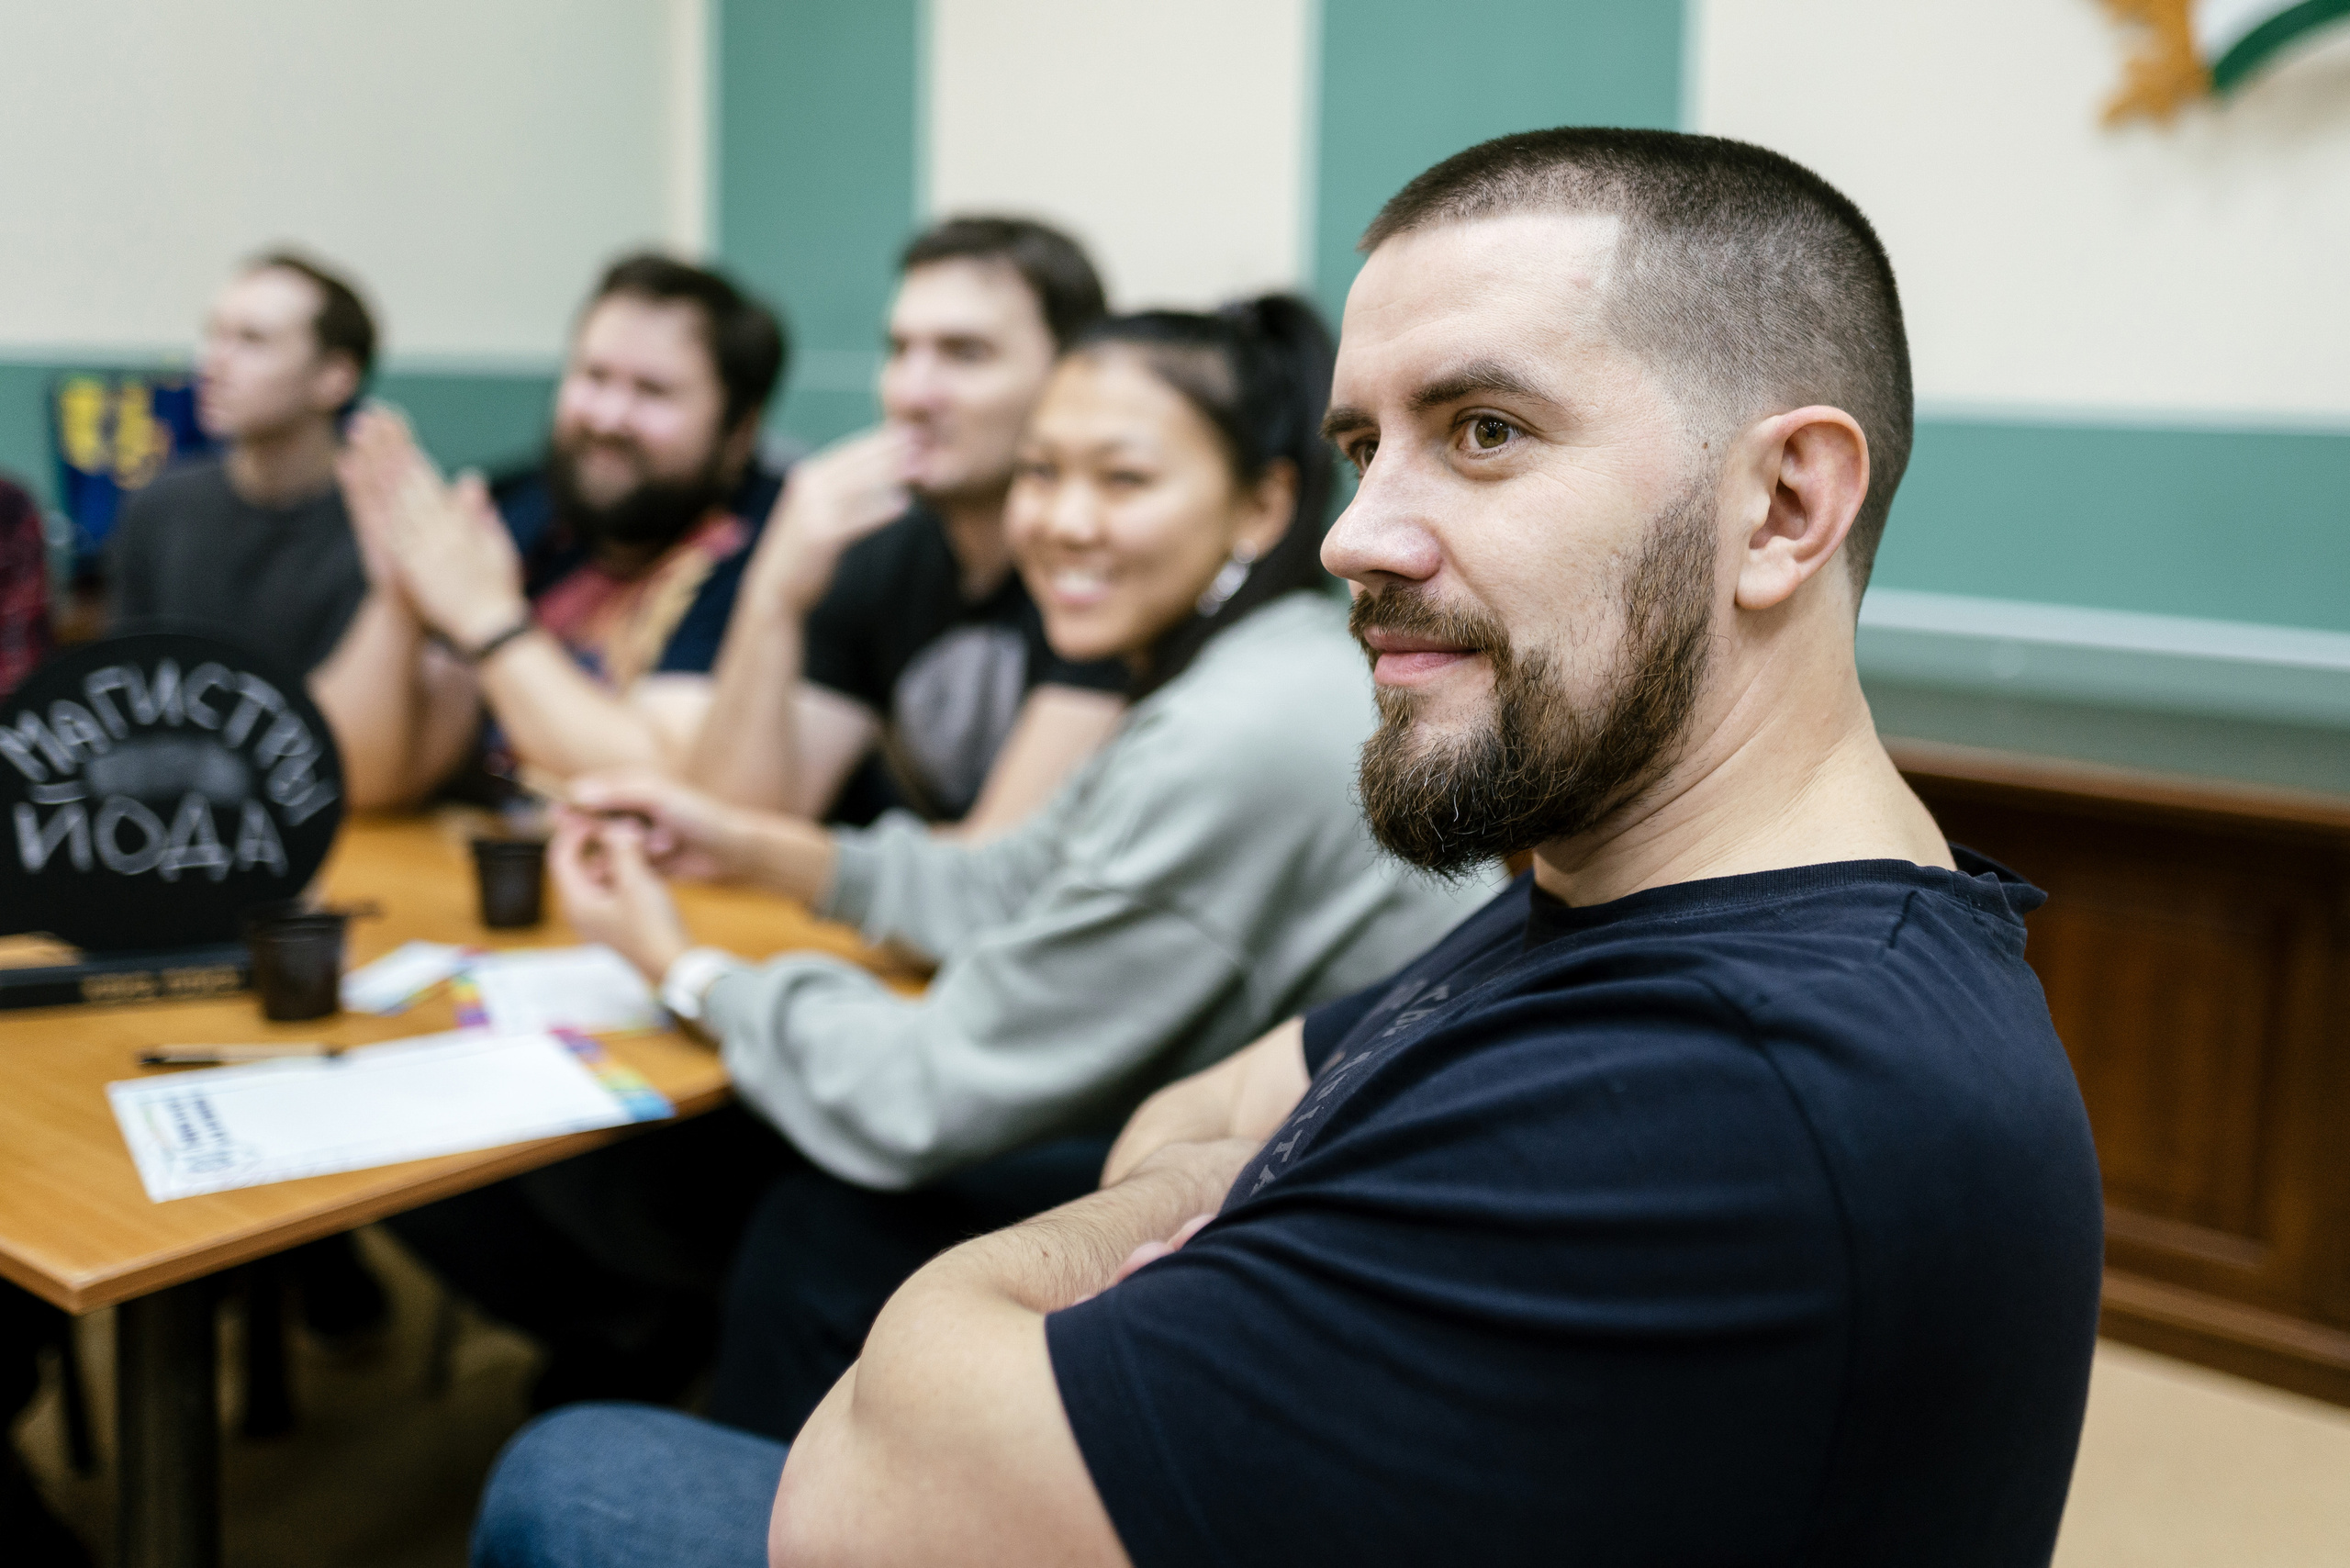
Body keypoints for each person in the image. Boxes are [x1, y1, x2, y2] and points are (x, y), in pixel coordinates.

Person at [473, 129, 2106, 1568]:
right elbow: (1198, 1109)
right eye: (1361, 445)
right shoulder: (1618, 874)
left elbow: (867, 1492)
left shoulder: (1735, 1089)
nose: (1356, 537)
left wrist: (1095, 1253)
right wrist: (1216, 1188)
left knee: (583, 1469)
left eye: (1481, 430)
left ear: (1783, 509)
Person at [403, 293, 1485, 1420]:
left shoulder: (1237, 730)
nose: (1062, 521)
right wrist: (757, 850)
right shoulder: (1241, 667)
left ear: (1262, 503)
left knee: (813, 1228)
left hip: (1305, 1241)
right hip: (1238, 1153)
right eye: (1040, 471)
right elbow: (1014, 882)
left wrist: (680, 968)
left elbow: (927, 1091)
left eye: (1121, 480)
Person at [688, 217, 1128, 834]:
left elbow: (996, 872)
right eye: (899, 351)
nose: (912, 394)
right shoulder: (882, 551)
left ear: (1070, 374)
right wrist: (772, 593)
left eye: (964, 354)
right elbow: (733, 829)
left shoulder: (1108, 559)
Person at [343, 252, 788, 783]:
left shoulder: (767, 552)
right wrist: (398, 594)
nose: (607, 418)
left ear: (741, 429)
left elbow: (672, 786)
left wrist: (490, 619)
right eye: (593, 376)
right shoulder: (522, 508)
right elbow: (369, 780)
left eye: (653, 392)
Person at [106, 252, 475, 809]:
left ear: (335, 377)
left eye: (252, 341)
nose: (213, 361)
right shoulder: (158, 511)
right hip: (187, 821)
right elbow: (122, 703)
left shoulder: (391, 522)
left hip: (358, 808)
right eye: (214, 334)